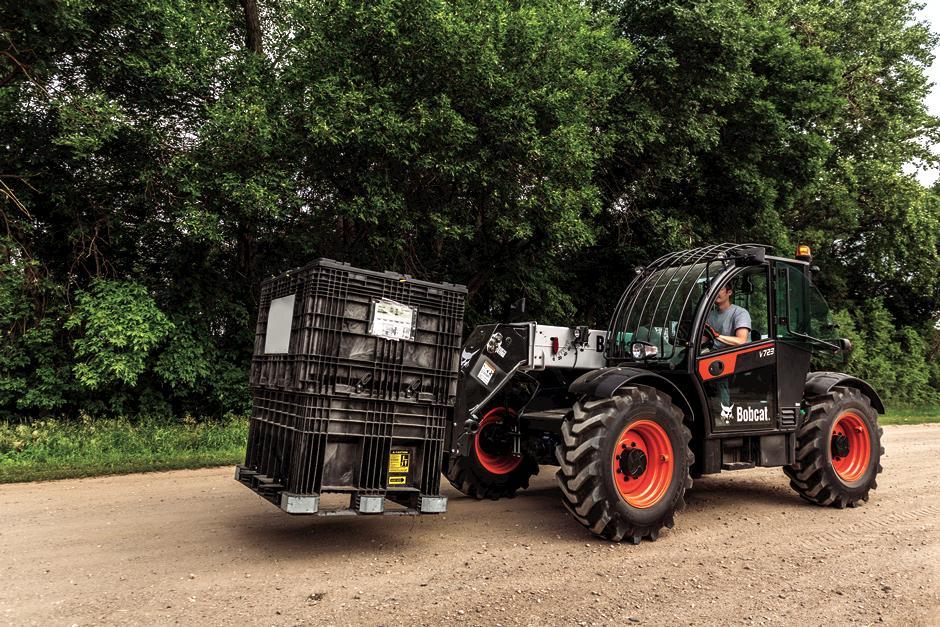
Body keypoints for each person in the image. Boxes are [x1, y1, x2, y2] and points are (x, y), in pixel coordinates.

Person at [703, 281, 751, 350]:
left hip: (733, 355)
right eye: (713, 290)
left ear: (729, 292)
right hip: (713, 354)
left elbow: (741, 341)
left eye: (720, 289)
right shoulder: (710, 315)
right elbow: (704, 339)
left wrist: (716, 336)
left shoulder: (740, 313)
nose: (715, 292)